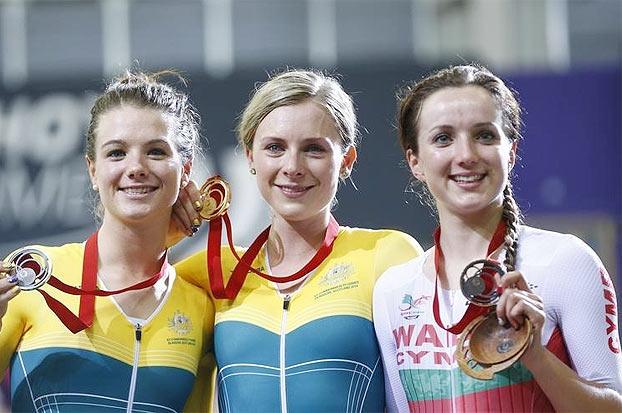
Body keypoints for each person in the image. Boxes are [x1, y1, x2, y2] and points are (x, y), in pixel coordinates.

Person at [0, 71, 214, 412]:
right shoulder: (34, 277)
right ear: (93, 171)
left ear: (186, 171)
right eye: (117, 153)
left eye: (156, 151)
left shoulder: (200, 306)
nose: (135, 167)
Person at [373, 64, 622, 412]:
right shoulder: (393, 290)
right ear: (415, 161)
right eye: (443, 138)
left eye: (485, 135)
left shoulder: (564, 262)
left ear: (512, 151)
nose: (467, 155)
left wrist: (536, 356)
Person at [173, 69, 423, 412]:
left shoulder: (386, 256)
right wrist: (162, 232)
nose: (293, 166)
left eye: (314, 149)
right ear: (250, 157)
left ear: (346, 161)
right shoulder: (209, 273)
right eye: (275, 147)